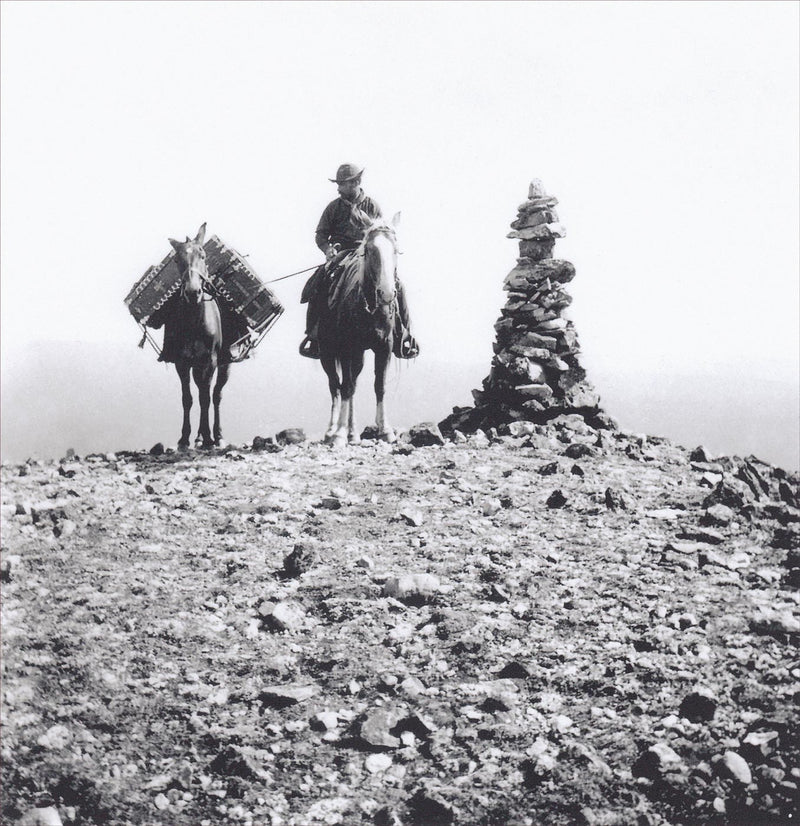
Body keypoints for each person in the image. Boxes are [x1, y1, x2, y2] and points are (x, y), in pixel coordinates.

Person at [299, 163, 419, 359]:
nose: (338, 188)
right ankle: (314, 334)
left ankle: (404, 335)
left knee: (397, 285)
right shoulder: (333, 207)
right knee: (317, 283)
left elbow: (383, 233)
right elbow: (321, 235)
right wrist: (327, 249)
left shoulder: (372, 205)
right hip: (342, 254)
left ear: (356, 182)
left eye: (342, 184)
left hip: (369, 255)